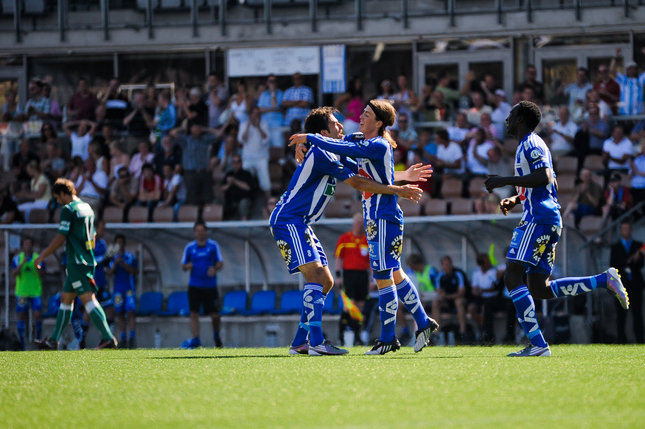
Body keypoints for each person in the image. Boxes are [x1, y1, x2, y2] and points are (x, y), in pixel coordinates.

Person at [288, 101, 439, 355]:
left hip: (382, 216)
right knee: (395, 273)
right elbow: (365, 167)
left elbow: (342, 147)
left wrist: (309, 138)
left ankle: (387, 339)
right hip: (379, 216)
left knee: (382, 275)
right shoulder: (367, 142)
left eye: (366, 114)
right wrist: (402, 177)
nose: (360, 116)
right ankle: (423, 322)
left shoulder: (376, 143)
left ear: (378, 123)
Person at [484, 100, 629, 357]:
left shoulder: (530, 143)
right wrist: (516, 198)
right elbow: (550, 184)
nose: (506, 119)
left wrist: (503, 181)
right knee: (539, 287)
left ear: (521, 120)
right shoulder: (532, 145)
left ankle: (538, 344)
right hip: (547, 218)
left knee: (512, 276)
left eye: (511, 114)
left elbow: (545, 177)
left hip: (538, 219)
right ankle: (603, 279)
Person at [33, 178, 117, 350]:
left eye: (58, 198)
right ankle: (53, 340)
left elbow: (61, 236)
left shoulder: (68, 209)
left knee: (88, 299)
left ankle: (108, 338)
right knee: (66, 299)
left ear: (64, 194)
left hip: (76, 262)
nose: (57, 202)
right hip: (85, 260)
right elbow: (93, 236)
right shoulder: (87, 208)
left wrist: (41, 257)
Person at [181, 220, 224, 349]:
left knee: (215, 315)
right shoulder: (189, 247)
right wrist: (188, 266)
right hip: (194, 286)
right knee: (194, 313)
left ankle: (216, 336)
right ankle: (196, 340)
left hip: (210, 286)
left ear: (206, 232)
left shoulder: (213, 246)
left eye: (202, 230)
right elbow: (183, 265)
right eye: (197, 231)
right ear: (194, 232)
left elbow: (220, 262)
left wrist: (214, 269)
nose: (200, 233)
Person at [335, 213, 370, 346]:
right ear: (353, 223)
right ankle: (341, 335)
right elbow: (339, 258)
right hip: (349, 275)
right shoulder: (344, 238)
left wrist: (372, 279)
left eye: (362, 222)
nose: (360, 224)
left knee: (361, 306)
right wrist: (338, 275)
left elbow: (371, 262)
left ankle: (357, 335)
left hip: (363, 275)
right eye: (358, 222)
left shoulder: (366, 240)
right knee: (350, 305)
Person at [609, 221, 644, 343]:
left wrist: (637, 259)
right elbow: (613, 266)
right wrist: (628, 261)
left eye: (628, 229)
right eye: (624, 229)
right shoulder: (615, 247)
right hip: (621, 286)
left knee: (637, 314)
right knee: (621, 315)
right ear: (620, 231)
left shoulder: (638, 246)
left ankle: (640, 340)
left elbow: (640, 264)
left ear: (631, 230)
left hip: (635, 285)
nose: (626, 231)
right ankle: (621, 341)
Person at [10, 237, 44, 348]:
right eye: (25, 244)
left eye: (29, 244)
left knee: (38, 315)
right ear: (22, 246)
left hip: (35, 292)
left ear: (32, 246)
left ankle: (38, 339)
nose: (27, 246)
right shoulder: (17, 258)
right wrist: (22, 263)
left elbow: (42, 274)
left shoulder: (37, 258)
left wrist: (37, 266)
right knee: (21, 316)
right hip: (22, 292)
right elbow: (14, 273)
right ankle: (22, 344)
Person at [105, 234, 137, 348]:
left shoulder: (130, 256)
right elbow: (108, 273)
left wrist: (122, 263)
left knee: (131, 312)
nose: (120, 244)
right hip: (118, 290)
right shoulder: (112, 258)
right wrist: (115, 264)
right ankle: (123, 338)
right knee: (120, 313)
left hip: (129, 289)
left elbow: (134, 270)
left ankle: (132, 338)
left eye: (121, 242)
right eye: (117, 242)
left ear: (124, 243)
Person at [432, 255, 468, 342]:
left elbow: (461, 293)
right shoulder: (440, 275)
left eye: (448, 264)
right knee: (435, 303)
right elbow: (438, 290)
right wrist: (442, 293)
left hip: (461, 300)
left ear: (451, 264)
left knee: (458, 302)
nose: (447, 266)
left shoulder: (458, 274)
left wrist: (447, 296)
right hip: (447, 302)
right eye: (445, 265)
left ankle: (463, 332)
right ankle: (436, 333)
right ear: (442, 266)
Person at [610, 49, 645, 115]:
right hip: (624, 113)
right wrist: (615, 57)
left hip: (638, 113)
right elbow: (612, 70)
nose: (631, 70)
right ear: (626, 70)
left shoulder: (640, 79)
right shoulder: (623, 79)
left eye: (633, 68)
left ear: (636, 70)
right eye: (629, 68)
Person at [221, 155, 254, 220]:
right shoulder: (229, 174)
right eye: (234, 162)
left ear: (241, 163)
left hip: (243, 199)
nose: (236, 164)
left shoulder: (246, 174)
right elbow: (223, 188)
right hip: (230, 199)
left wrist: (235, 181)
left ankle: (245, 225)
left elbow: (248, 187)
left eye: (238, 162)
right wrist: (229, 183)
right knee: (218, 202)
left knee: (243, 204)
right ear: (231, 164)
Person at [257, 74, 285, 147]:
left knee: (278, 145)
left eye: (274, 81)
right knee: (266, 146)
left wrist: (273, 93)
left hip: (277, 124)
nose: (272, 83)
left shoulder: (281, 93)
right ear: (267, 83)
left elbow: (275, 105)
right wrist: (273, 109)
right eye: (270, 81)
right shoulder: (263, 94)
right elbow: (260, 109)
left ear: (276, 82)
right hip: (265, 124)